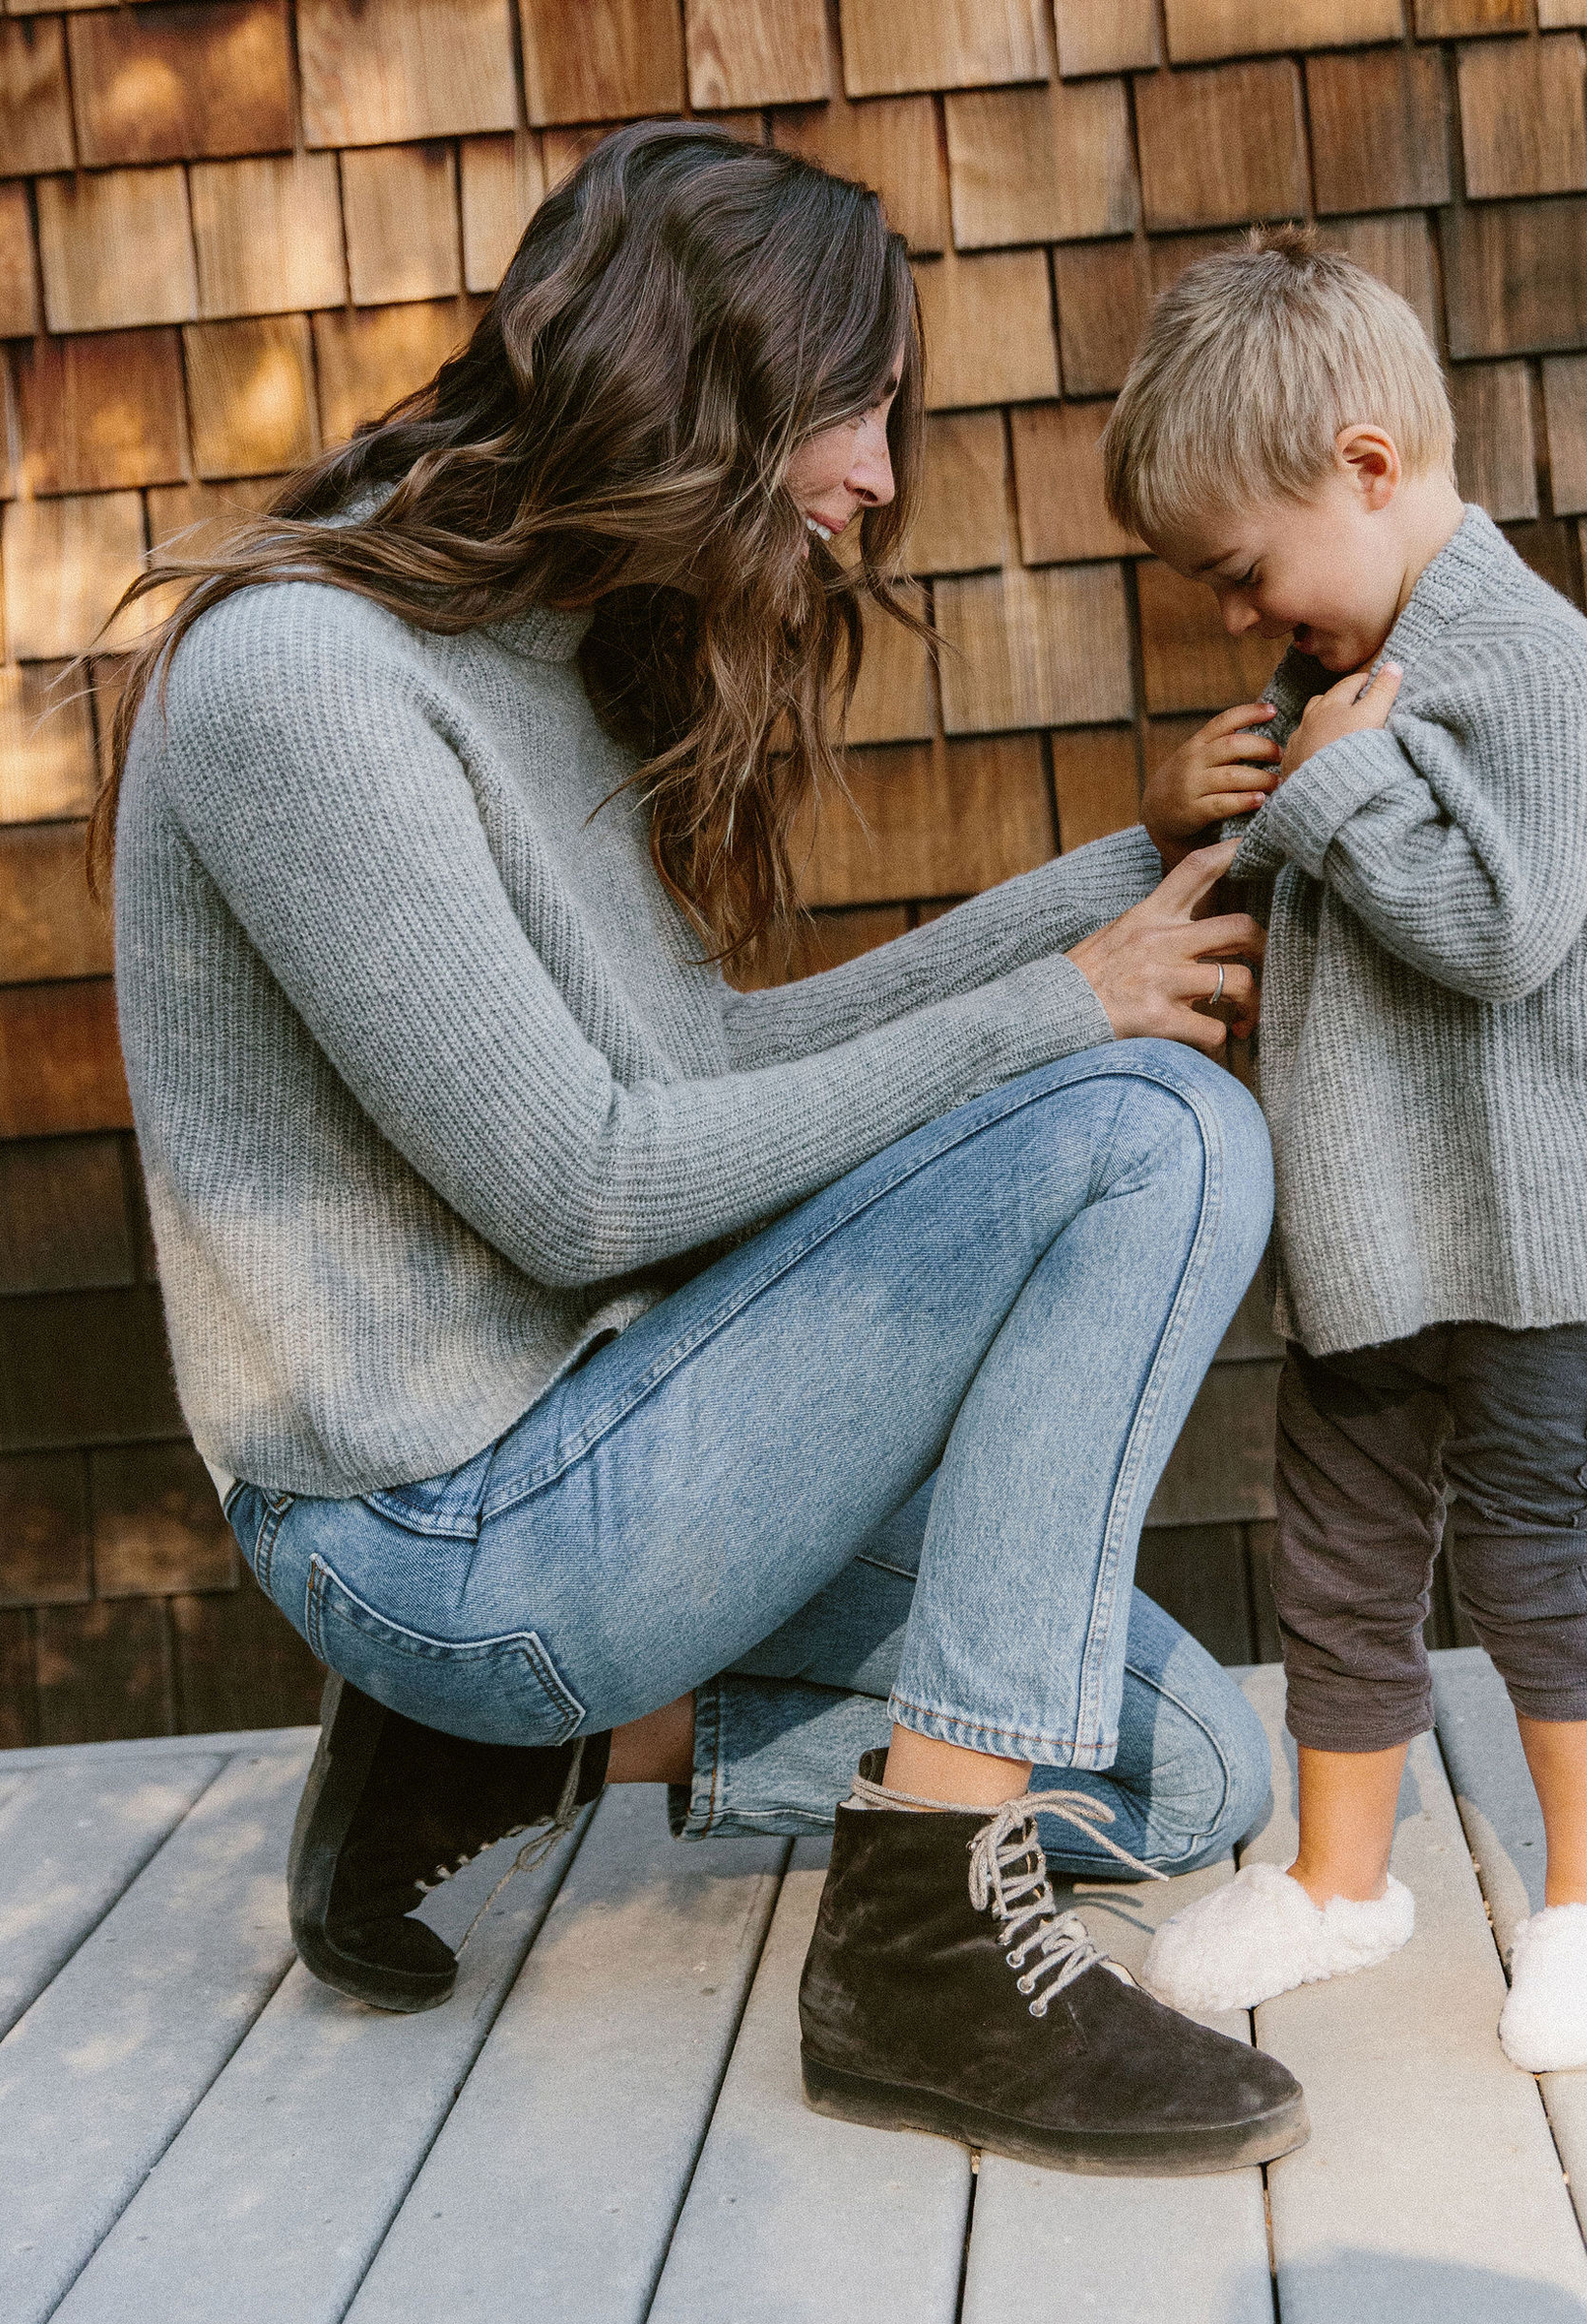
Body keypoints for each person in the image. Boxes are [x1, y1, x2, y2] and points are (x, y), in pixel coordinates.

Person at [99, 121, 1307, 2178]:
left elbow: (704, 1075)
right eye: (860, 407)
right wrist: (1067, 1008)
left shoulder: (530, 655)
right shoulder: (304, 685)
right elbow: (582, 1187)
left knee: (1184, 1782)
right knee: (1153, 1131)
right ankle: (924, 1951)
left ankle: (533, 1750)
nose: (879, 479)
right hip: (452, 1521)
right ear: (704, 381)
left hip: (620, 1435)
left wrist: (1121, 873)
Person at [1098, 225, 1587, 2072]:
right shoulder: (1356, 676)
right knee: (1335, 1556)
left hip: (1540, 1235)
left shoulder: (1525, 666)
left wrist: (1327, 785)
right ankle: (1339, 1882)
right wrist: (1205, 808)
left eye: (1244, 573)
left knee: (1535, 1555)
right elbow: (1286, 886)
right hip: (1380, 1232)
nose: (1238, 617)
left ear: (1371, 470)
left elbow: (1498, 926)